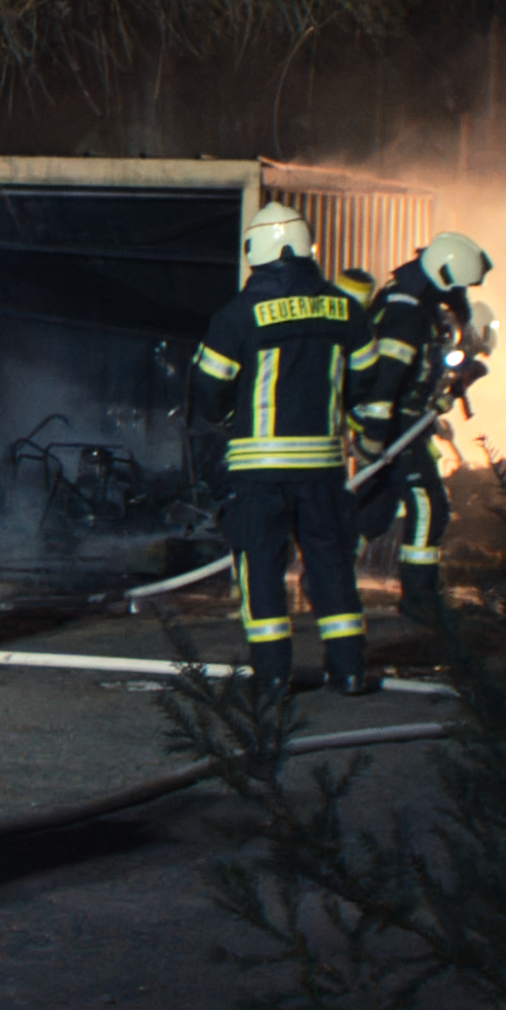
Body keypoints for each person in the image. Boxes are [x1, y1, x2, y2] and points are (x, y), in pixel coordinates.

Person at [194, 199, 374, 695]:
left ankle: (273, 674)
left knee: (262, 570)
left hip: (260, 471)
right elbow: (366, 385)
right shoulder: (347, 309)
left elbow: (209, 392)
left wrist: (228, 417)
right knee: (332, 565)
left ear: (257, 250)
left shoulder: (239, 315)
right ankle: (350, 670)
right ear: (306, 247)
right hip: (324, 468)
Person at [344, 231, 495, 625]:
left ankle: (329, 578)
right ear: (444, 275)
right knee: (430, 504)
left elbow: (421, 370)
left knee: (374, 510)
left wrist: (449, 386)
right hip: (392, 423)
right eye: (459, 283)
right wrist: (374, 436)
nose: (461, 292)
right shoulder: (405, 312)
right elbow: (386, 381)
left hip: (403, 421)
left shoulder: (423, 306)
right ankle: (419, 596)